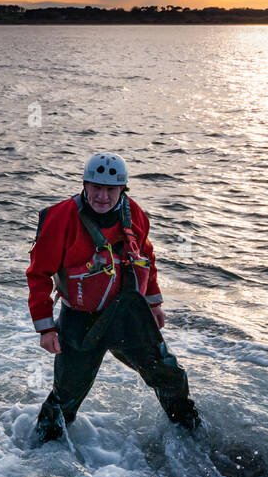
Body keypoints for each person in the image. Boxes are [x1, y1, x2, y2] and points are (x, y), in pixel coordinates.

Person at [27, 152, 200, 444]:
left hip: (126, 314)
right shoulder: (61, 218)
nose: (102, 196)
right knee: (66, 395)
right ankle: (40, 451)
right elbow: (38, 274)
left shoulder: (135, 214)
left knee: (169, 374)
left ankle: (191, 433)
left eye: (110, 189)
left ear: (122, 190)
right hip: (80, 320)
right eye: (95, 187)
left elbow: (146, 256)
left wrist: (154, 304)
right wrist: (46, 328)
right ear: (84, 185)